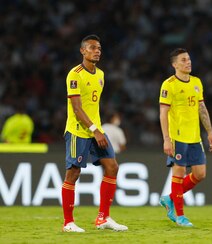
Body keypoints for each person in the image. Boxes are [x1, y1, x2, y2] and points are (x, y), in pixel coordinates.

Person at [61, 34, 128, 232]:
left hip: (96, 130)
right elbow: (77, 109)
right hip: (78, 131)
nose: (97, 51)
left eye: (99, 48)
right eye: (92, 47)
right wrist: (95, 131)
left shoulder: (100, 75)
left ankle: (103, 217)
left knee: (112, 167)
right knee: (73, 173)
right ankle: (68, 223)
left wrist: (97, 130)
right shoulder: (75, 74)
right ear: (82, 51)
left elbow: (93, 106)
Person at [159, 48, 212, 227]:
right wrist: (166, 139)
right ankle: (180, 216)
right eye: (183, 60)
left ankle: (169, 199)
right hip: (177, 138)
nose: (188, 62)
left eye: (189, 59)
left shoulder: (197, 82)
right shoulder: (169, 84)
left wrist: (210, 132)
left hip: (195, 137)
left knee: (200, 174)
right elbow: (163, 113)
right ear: (175, 64)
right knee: (179, 172)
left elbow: (202, 109)